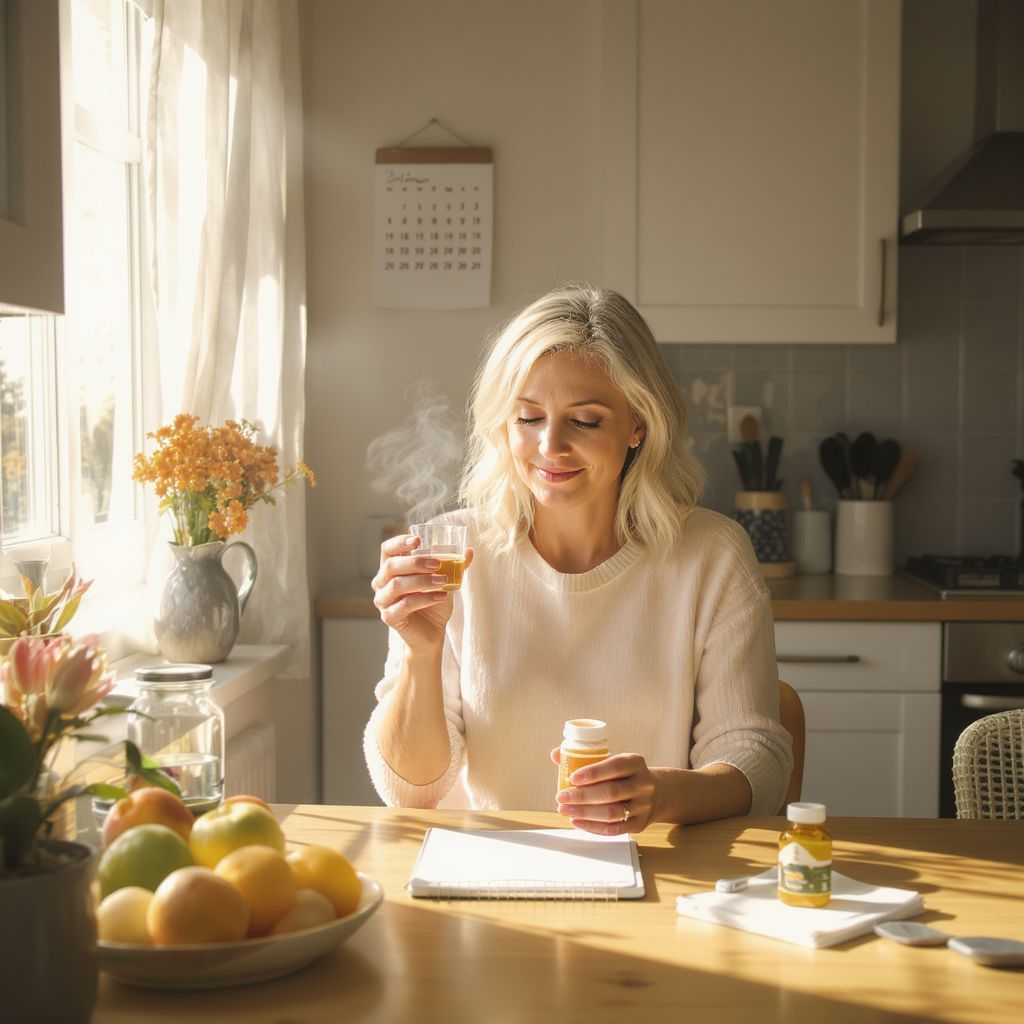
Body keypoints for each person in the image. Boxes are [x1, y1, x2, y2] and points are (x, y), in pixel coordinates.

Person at [364, 284, 792, 833]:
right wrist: (419, 654)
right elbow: (408, 791)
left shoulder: (710, 556)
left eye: (585, 421)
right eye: (528, 419)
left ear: (639, 423)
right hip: (482, 873)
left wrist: (661, 795)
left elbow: (758, 761)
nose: (550, 447)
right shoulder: (452, 555)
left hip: (653, 871)